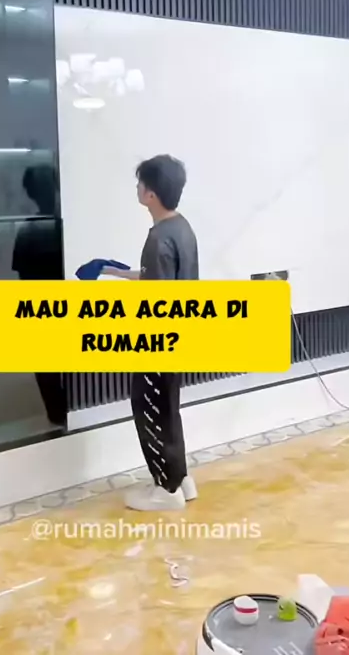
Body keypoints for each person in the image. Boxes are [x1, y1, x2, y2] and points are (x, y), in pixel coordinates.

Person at [103, 154, 199, 511]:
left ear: (151, 194)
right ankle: (181, 479)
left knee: (149, 407)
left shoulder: (158, 238)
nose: (138, 188)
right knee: (168, 407)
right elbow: (159, 279)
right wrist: (114, 271)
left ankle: (167, 491)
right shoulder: (181, 228)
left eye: (140, 184)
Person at [12, 164, 68, 429]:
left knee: (47, 368)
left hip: (41, 309)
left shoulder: (28, 230)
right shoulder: (64, 224)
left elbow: (23, 278)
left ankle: (57, 414)